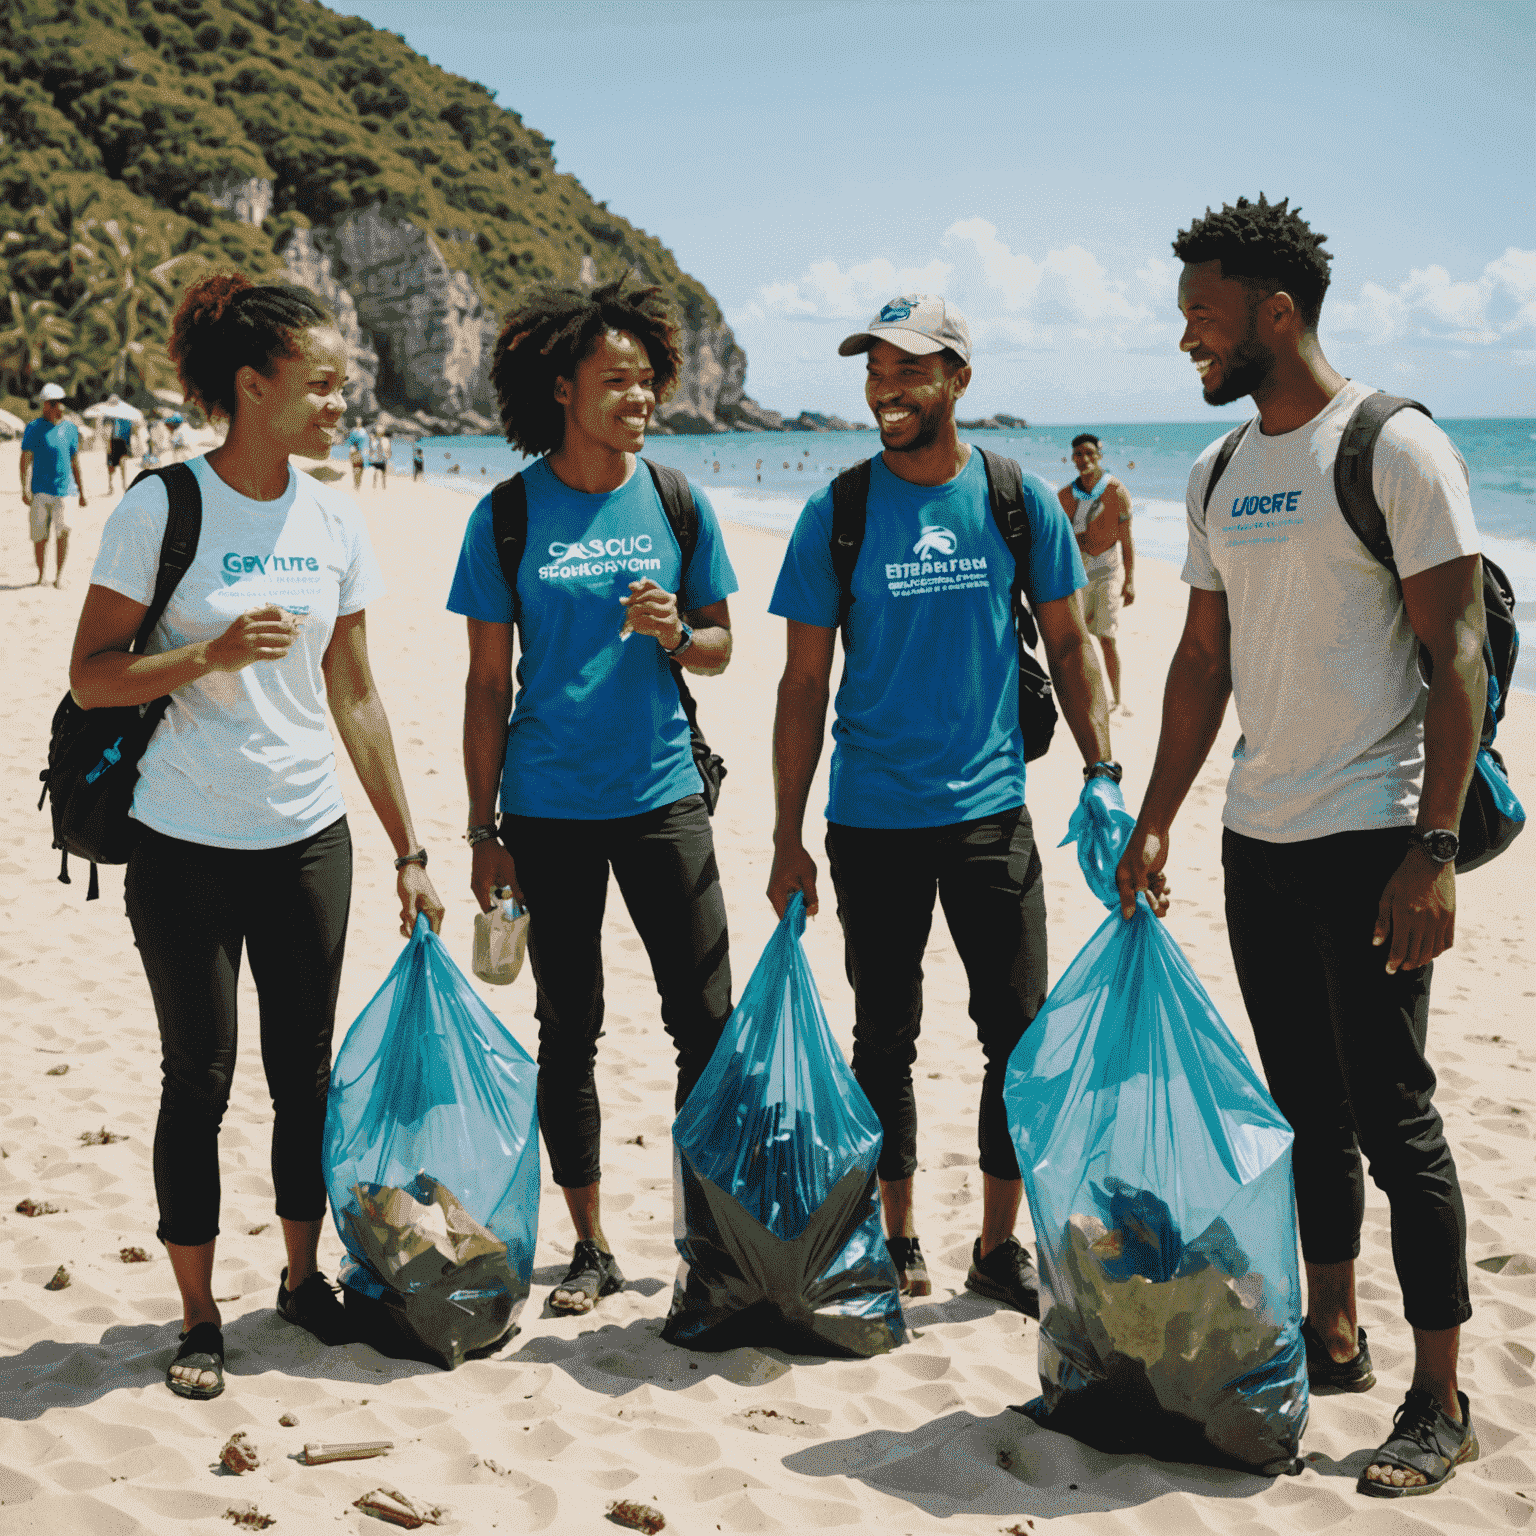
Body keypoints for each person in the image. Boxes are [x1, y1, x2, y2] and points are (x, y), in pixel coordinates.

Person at [1115, 196, 1483, 1498]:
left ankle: (1440, 1401)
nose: (1187, 343)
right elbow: (1201, 660)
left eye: (1201, 317)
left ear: (1275, 312)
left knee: (1395, 1115)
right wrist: (1157, 814)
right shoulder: (1216, 473)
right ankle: (1332, 1330)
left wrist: (1434, 849)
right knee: (1300, 1111)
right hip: (1257, 839)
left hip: (1375, 837)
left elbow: (1461, 658)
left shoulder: (1392, 446)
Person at [68, 272, 444, 1402]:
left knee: (304, 1077)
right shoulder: (161, 507)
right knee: (200, 1078)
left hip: (306, 837)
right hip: (183, 841)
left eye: (343, 386)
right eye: (322, 384)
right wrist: (207, 656)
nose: (341, 402)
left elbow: (359, 692)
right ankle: (194, 1315)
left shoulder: (336, 513)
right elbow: (91, 680)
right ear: (253, 383)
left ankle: (296, 1281)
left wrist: (410, 850)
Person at [766, 294, 1113, 1312]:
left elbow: (1072, 641)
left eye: (907, 368)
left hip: (991, 813)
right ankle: (900, 1233)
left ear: (958, 378)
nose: (885, 387)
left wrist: (1104, 772)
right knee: (884, 1036)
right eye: (873, 369)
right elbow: (800, 686)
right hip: (870, 817)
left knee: (1019, 1034)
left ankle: (997, 1245)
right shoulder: (838, 511)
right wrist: (785, 834)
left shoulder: (1015, 499)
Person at [449, 278, 738, 1315]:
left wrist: (675, 633)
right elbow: (487, 685)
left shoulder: (676, 500)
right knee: (569, 1026)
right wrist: (481, 829)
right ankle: (589, 1244)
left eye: (648, 380)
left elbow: (719, 648)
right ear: (564, 387)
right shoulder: (510, 515)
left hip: (663, 795)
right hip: (547, 806)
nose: (641, 397)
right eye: (617, 380)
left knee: (705, 1020)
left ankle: (711, 1232)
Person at [1058, 433, 1135, 712]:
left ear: (1099, 455)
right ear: (1073, 458)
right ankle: (1085, 695)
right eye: (1078, 454)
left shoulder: (1115, 491)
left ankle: (1116, 698)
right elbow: (1058, 540)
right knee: (1077, 637)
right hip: (1079, 572)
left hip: (1108, 570)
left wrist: (1130, 580)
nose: (1084, 459)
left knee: (1107, 635)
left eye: (1089, 453)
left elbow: (1127, 540)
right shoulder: (1065, 496)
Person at [19, 382, 85, 587]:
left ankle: (59, 576)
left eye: (58, 402)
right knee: (40, 537)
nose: (57, 407)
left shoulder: (70, 429)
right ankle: (40, 576)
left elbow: (75, 461)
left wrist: (82, 492)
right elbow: (25, 460)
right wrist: (24, 488)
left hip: (66, 491)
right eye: (52, 403)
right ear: (45, 405)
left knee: (63, 532)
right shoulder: (33, 428)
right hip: (40, 491)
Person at [102, 396, 135, 492]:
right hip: (111, 441)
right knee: (110, 466)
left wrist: (129, 446)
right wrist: (107, 445)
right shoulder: (107, 415)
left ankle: (124, 485)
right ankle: (110, 486)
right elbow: (105, 431)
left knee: (123, 464)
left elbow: (129, 431)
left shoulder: (125, 415)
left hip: (122, 442)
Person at [346, 422, 367, 489]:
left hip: (361, 457)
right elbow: (350, 453)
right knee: (356, 472)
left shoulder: (363, 431)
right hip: (356, 458)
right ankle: (356, 485)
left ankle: (357, 484)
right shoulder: (353, 446)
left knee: (359, 473)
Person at [369, 425, 390, 490]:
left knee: (379, 474)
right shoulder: (384, 440)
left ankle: (379, 487)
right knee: (379, 474)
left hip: (379, 459)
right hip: (378, 459)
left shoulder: (379, 440)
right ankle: (378, 488)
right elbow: (388, 450)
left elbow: (388, 450)